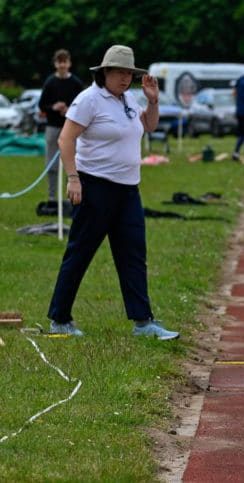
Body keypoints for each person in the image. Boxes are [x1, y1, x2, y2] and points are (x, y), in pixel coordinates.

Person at [46, 45, 179, 340]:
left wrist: (153, 102)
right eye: (119, 72)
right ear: (104, 72)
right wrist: (73, 179)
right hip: (95, 188)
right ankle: (59, 318)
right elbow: (66, 140)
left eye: (129, 73)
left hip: (128, 189)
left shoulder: (128, 99)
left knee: (133, 254)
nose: (125, 78)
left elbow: (147, 126)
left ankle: (143, 322)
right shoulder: (89, 100)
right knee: (80, 253)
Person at [39, 49, 85, 202]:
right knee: (51, 164)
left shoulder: (76, 83)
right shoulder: (50, 82)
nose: (62, 65)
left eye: (65, 61)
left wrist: (69, 110)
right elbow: (42, 105)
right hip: (53, 127)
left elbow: (83, 106)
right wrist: (53, 107)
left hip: (72, 129)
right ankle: (52, 197)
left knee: (72, 164)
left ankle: (70, 196)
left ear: (69, 63)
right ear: (55, 64)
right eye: (59, 62)